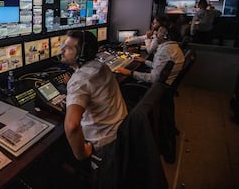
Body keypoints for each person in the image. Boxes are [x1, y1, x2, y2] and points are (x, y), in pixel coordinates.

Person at [61, 30, 128, 164]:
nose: (62, 50)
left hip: (104, 146)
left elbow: (72, 126)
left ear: (82, 53)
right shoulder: (101, 66)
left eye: (67, 47)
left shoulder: (79, 81)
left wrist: (81, 154)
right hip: (123, 132)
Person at [116, 24, 185, 85]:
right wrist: (145, 61)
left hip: (158, 87)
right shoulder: (173, 47)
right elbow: (159, 67)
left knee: (124, 80)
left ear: (166, 36)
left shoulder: (165, 51)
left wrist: (130, 72)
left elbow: (153, 78)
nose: (156, 34)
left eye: (159, 32)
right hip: (164, 83)